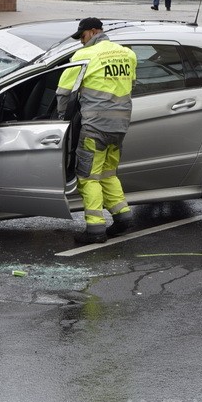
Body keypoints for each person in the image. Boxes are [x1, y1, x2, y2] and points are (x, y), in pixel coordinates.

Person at [56, 17, 138, 244]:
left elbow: (63, 92)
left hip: (95, 127)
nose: (81, 42)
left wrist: (63, 120)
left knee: (87, 177)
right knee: (107, 173)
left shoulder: (84, 56)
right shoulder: (127, 54)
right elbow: (129, 86)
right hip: (120, 126)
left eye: (82, 37)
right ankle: (123, 217)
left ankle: (95, 230)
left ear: (92, 32)